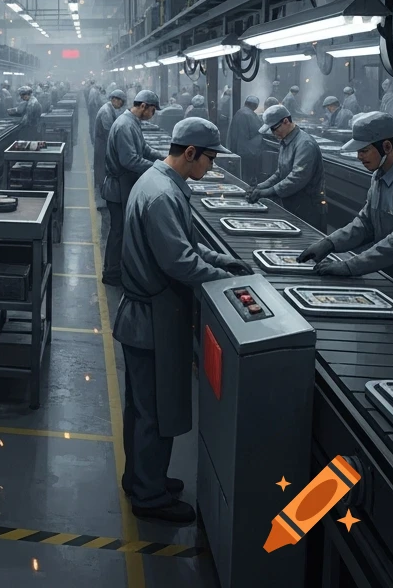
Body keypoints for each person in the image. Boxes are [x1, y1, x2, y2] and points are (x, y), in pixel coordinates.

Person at [114, 118, 253, 524]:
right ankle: (150, 496)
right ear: (190, 153)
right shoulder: (161, 196)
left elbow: (187, 245)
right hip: (152, 318)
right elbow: (178, 261)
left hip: (150, 314)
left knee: (142, 407)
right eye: (209, 160)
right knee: (155, 409)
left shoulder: (159, 182)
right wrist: (227, 280)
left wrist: (221, 259)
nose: (210, 167)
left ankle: (141, 476)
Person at [300, 112, 393, 277]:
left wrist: (351, 266)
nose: (359, 157)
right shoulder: (379, 176)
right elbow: (366, 223)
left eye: (364, 150)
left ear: (387, 146)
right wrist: (330, 243)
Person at [101, 90, 163, 286]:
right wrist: (160, 167)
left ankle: (117, 269)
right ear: (143, 106)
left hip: (125, 185)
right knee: (118, 231)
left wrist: (165, 156)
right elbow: (129, 160)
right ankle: (111, 273)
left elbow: (143, 149)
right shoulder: (125, 125)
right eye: (152, 110)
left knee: (121, 230)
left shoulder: (133, 123)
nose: (152, 114)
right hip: (118, 187)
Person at [247, 104, 324, 229]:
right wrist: (259, 187)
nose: (273, 133)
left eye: (274, 128)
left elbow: (296, 178)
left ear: (286, 121)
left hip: (307, 208)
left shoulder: (305, 144)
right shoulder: (285, 141)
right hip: (291, 204)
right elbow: (280, 173)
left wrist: (267, 192)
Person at [94, 89, 127, 207]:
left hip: (103, 142)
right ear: (114, 100)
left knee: (102, 167)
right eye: (120, 102)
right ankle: (102, 195)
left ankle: (102, 190)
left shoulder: (109, 109)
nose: (121, 105)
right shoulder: (106, 112)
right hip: (102, 144)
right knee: (102, 167)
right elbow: (109, 133)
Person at [228, 94, 264, 183]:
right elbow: (260, 130)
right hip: (248, 151)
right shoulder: (250, 115)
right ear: (255, 106)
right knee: (248, 176)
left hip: (237, 148)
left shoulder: (239, 112)